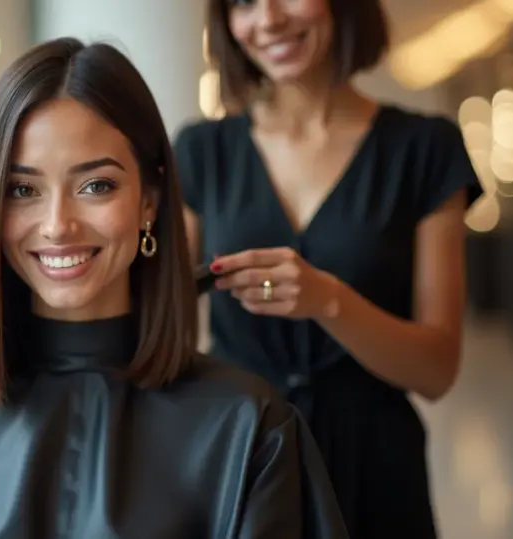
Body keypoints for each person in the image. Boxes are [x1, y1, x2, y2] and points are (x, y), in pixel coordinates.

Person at [0, 37, 349, 539]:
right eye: (23, 189)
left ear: (150, 202)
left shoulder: (250, 428)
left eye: (96, 185)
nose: (57, 224)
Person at [175, 1, 485, 538]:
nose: (267, 19)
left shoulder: (424, 149)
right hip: (238, 452)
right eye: (243, 2)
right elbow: (168, 337)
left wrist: (328, 299)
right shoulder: (202, 151)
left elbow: (436, 371)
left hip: (375, 468)